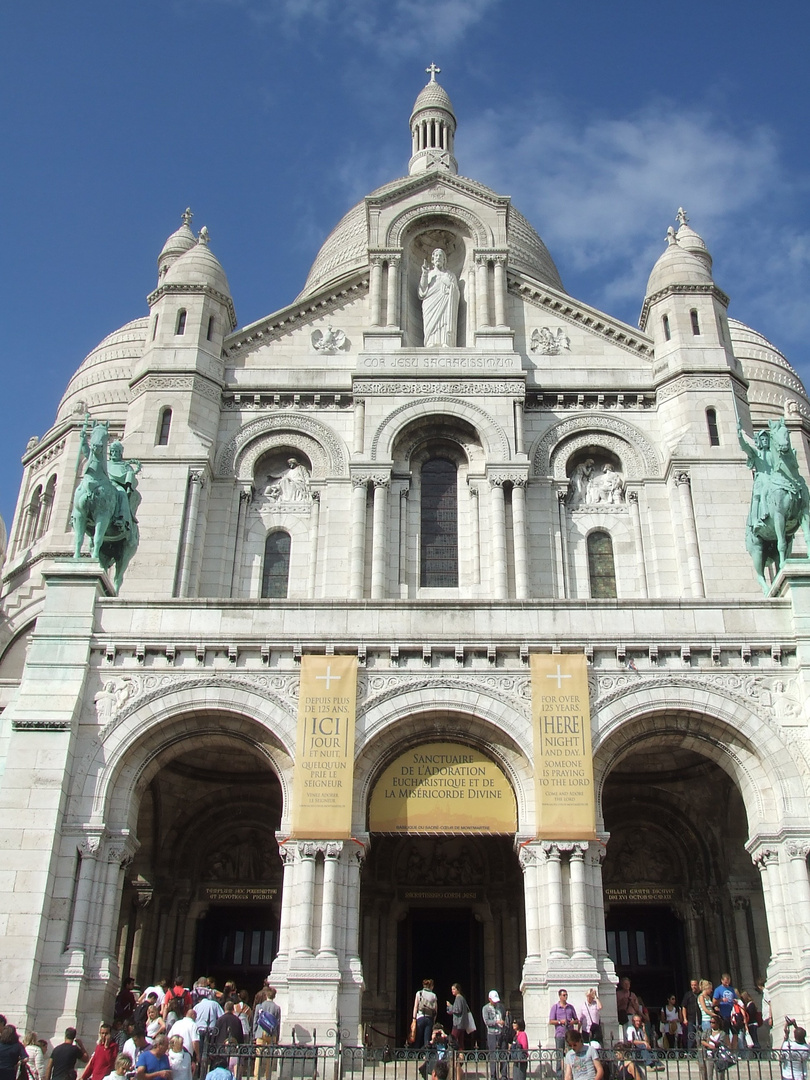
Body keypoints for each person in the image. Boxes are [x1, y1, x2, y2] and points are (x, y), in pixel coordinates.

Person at [418, 248, 460, 348]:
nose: (438, 258)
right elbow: (422, 291)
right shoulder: (429, 274)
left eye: (441, 256)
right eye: (436, 256)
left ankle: (446, 341)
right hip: (430, 303)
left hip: (445, 303)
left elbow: (456, 294)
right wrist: (424, 274)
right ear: (432, 259)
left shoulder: (450, 275)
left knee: (444, 320)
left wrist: (449, 284)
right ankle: (430, 341)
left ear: (444, 260)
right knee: (432, 322)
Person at [549, 989, 579, 1064]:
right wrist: (560, 1021)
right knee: (559, 1055)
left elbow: (576, 1020)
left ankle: (572, 1071)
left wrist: (572, 1022)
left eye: (566, 995)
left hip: (569, 1033)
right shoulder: (555, 1007)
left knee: (571, 1053)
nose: (566, 996)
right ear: (560, 996)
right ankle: (559, 1074)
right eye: (564, 995)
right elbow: (551, 1021)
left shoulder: (570, 1007)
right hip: (560, 1033)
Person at [482, 991, 507, 1080]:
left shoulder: (501, 1007)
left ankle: (504, 1074)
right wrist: (496, 1022)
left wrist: (504, 1022)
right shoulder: (485, 1008)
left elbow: (505, 1017)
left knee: (503, 1053)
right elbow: (486, 1021)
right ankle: (493, 1075)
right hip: (492, 1034)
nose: (495, 1002)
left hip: (501, 1033)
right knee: (493, 1054)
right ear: (489, 999)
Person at [700, 1014, 731, 1080]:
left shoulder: (722, 1033)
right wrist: (708, 1045)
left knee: (720, 1075)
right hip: (709, 1055)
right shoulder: (707, 1031)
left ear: (718, 1023)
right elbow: (702, 1040)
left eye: (713, 1022)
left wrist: (712, 1041)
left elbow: (721, 1042)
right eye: (710, 1022)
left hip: (719, 1055)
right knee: (709, 1074)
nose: (711, 1024)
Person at [712, 975, 739, 1048]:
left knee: (735, 1032)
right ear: (722, 980)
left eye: (728, 982)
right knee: (726, 1032)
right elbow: (714, 1002)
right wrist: (721, 1000)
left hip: (732, 1014)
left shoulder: (731, 989)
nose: (727, 983)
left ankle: (734, 1050)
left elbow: (736, 998)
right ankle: (729, 1048)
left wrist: (735, 1001)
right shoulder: (718, 990)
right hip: (723, 1014)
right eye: (726, 981)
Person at [414, 979, 438, 1049]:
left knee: (417, 1038)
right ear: (431, 986)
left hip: (420, 1017)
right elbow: (436, 1010)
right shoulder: (433, 995)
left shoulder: (419, 993)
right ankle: (427, 1056)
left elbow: (415, 1007)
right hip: (429, 1018)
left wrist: (414, 1018)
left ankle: (415, 1055)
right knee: (427, 1040)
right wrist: (433, 1020)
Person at [447, 984, 472, 1051]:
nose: (452, 991)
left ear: (458, 990)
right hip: (462, 1024)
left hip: (458, 1023)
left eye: (454, 989)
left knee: (452, 1040)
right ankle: (461, 1058)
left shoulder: (458, 998)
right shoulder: (462, 998)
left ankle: (452, 1057)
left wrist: (450, 1006)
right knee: (460, 1042)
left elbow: (457, 1010)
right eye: (452, 989)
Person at [681, 980, 701, 1049]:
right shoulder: (688, 995)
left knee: (701, 1035)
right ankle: (690, 1052)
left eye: (695, 985)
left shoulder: (701, 994)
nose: (693, 987)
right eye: (692, 985)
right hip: (691, 1018)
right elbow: (684, 1006)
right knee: (691, 1035)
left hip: (700, 1018)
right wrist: (685, 1019)